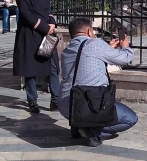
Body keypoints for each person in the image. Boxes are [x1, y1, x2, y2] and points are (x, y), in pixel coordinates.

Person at [59, 18, 137, 147]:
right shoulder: (96, 44)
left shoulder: (66, 51)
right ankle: (92, 132)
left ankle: (79, 126)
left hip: (67, 106)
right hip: (89, 104)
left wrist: (107, 48)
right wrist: (125, 47)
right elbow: (125, 58)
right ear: (89, 31)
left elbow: (88, 62)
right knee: (130, 119)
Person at [13, 0, 59, 113]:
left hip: (47, 34)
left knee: (52, 67)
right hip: (30, 34)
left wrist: (52, 23)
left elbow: (49, 9)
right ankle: (32, 101)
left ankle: (56, 100)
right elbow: (26, 13)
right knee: (30, 69)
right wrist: (44, 27)